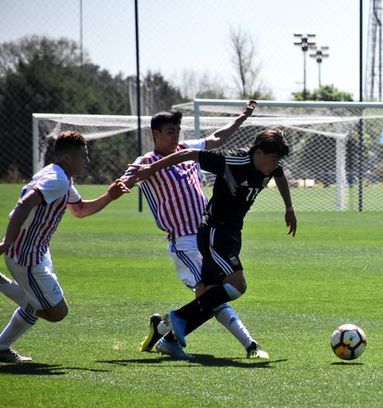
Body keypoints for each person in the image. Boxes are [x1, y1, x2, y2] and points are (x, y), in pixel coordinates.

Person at [129, 127, 296, 359]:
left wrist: (289, 207)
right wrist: (152, 168)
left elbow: (279, 175)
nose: (275, 164)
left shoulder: (270, 165)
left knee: (209, 296)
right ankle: (178, 317)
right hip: (214, 234)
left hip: (232, 234)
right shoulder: (231, 160)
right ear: (258, 152)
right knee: (238, 284)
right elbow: (187, 154)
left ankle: (168, 340)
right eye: (273, 159)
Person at [0, 131, 129, 362]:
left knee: (38, 305)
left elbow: (79, 210)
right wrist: (7, 241)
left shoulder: (60, 176)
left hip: (36, 251)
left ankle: (1, 347)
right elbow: (24, 204)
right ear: (67, 158)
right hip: (26, 257)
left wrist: (109, 195)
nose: (87, 161)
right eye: (83, 156)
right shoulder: (57, 180)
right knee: (56, 312)